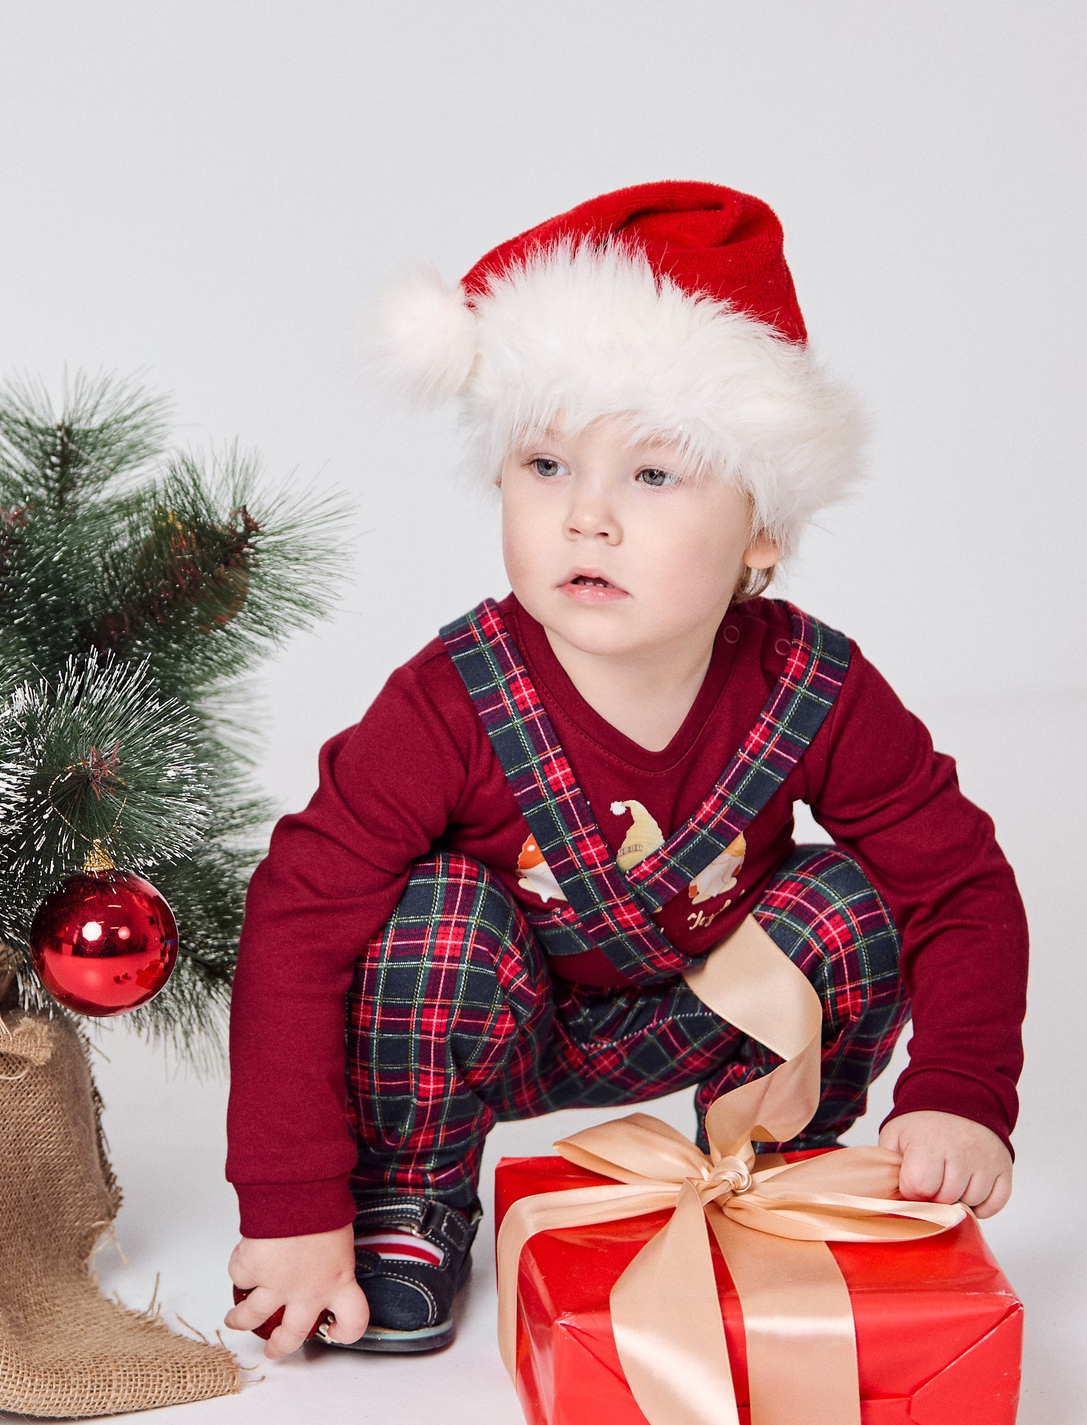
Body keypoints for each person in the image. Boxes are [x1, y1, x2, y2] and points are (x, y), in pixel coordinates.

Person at [223, 182, 1028, 1359]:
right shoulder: (450, 700)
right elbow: (297, 918)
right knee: (433, 915)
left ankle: (770, 1163)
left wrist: (961, 1090)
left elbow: (955, 885)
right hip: (492, 1019)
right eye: (546, 465)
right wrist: (292, 1207)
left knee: (850, 906)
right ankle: (412, 1192)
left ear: (762, 531)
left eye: (653, 477)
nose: (585, 519)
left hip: (699, 1008)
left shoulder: (814, 689)